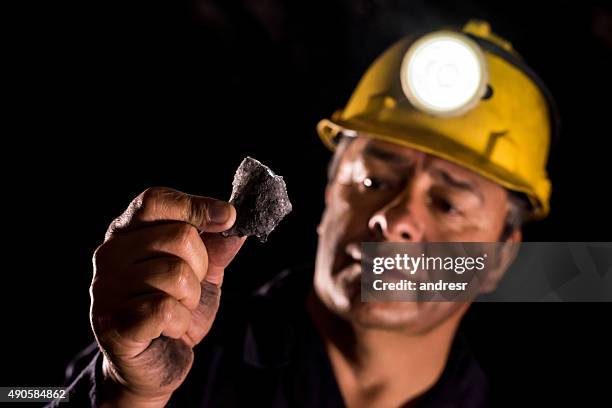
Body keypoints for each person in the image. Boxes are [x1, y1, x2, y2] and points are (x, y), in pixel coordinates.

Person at [48, 20, 556, 407]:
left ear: (501, 257)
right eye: (372, 181)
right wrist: (126, 394)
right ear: (330, 193)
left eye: (447, 203)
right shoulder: (174, 351)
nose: (393, 218)